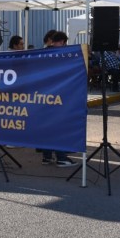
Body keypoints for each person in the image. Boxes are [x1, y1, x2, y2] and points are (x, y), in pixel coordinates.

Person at [40, 31, 79, 168]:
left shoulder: (41, 54)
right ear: (62, 42)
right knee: (60, 127)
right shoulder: (62, 56)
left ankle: (47, 156)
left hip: (43, 97)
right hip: (59, 96)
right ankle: (61, 157)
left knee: (46, 128)